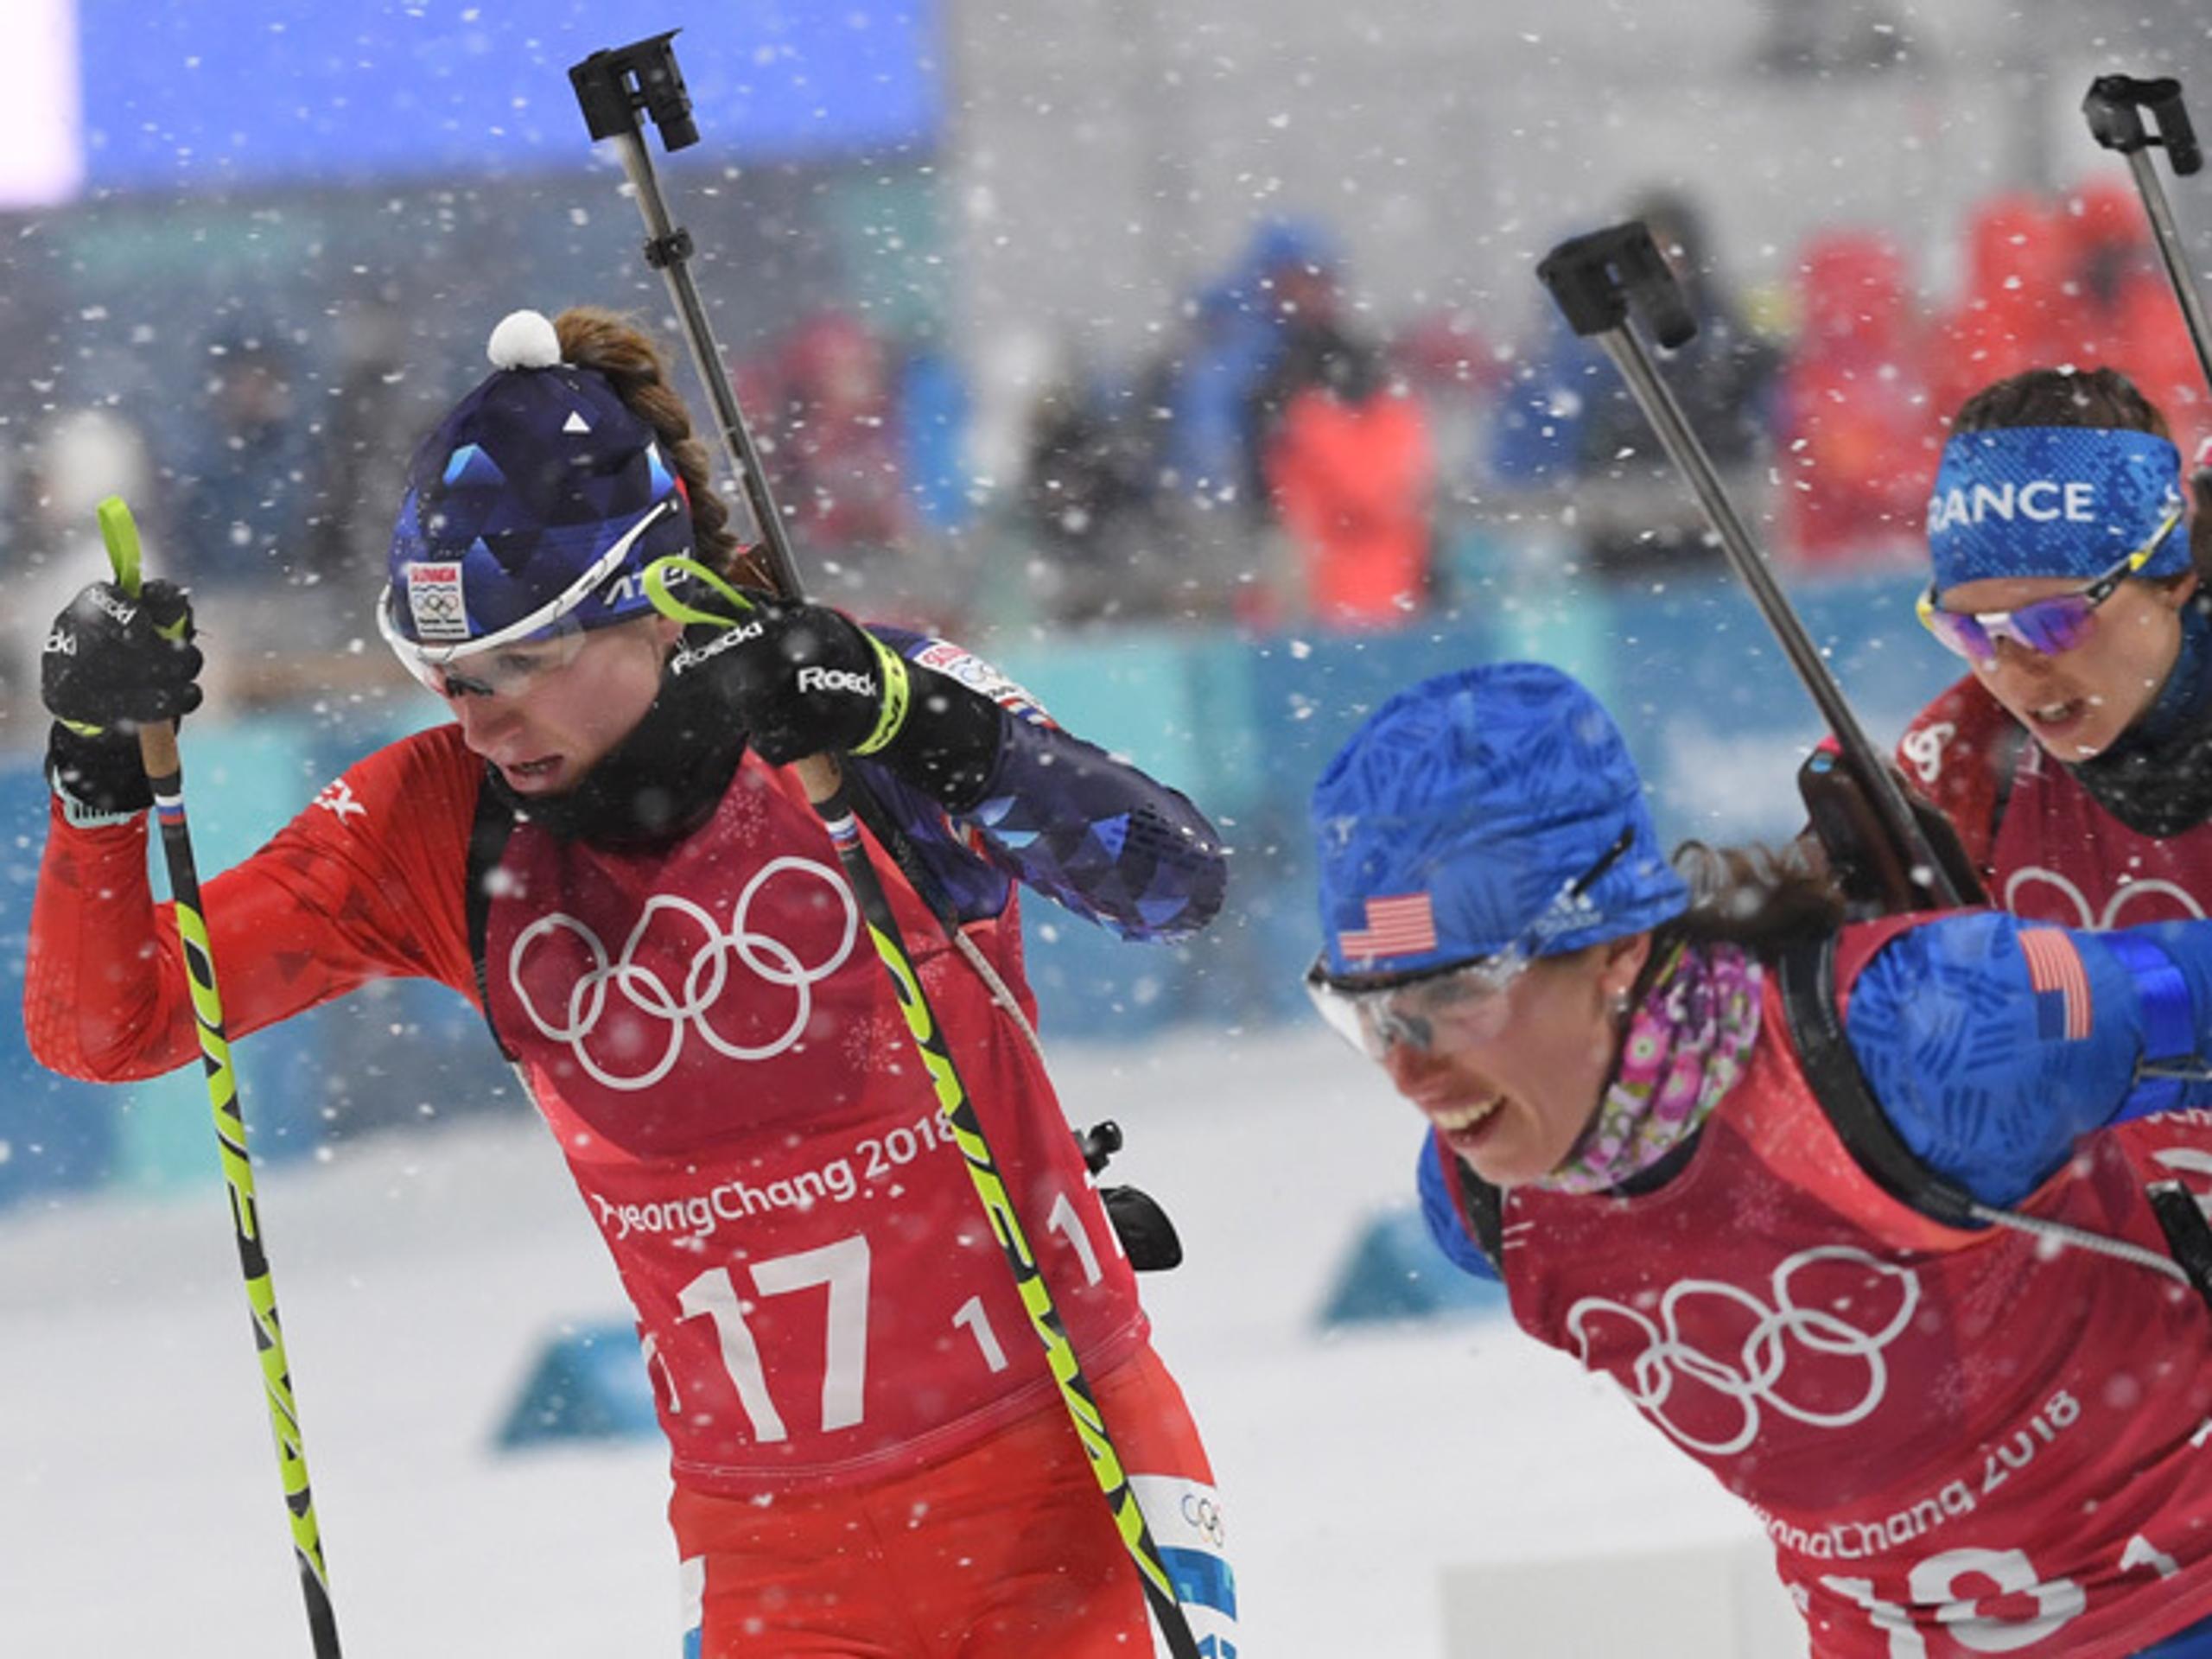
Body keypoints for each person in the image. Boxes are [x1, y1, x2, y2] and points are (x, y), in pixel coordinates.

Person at [24, 307, 1241, 1657]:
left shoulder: (834, 703)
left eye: (521, 666)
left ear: (653, 601)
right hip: (771, 1543)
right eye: (446, 677)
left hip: (1063, 1467)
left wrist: (918, 715)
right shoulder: (438, 822)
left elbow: (1171, 878)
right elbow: (114, 1026)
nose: (479, 720)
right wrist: (91, 769)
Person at [1306, 658, 2212, 1657]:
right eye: (1371, 1013)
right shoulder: (1480, 1199)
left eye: (1456, 1000)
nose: (1408, 1072)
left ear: (1614, 951)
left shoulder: (1926, 1034)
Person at [1899, 366, 2212, 931]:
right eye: (1969, 631)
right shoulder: (1964, 758)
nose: (2012, 672)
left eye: (2053, 623)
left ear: (2172, 579)